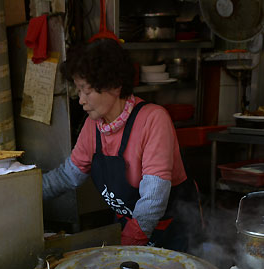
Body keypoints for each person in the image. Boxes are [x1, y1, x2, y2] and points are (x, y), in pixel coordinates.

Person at [42, 39, 200, 252]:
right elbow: (67, 176)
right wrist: (26, 195)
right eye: (78, 91)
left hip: (174, 233)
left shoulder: (153, 119)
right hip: (129, 229)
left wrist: (125, 248)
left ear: (114, 87)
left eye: (86, 91)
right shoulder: (93, 126)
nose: (81, 100)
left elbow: (153, 199)